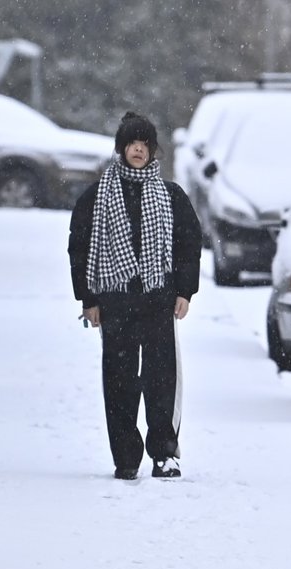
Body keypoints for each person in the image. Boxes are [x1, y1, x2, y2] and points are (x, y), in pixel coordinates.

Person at [68, 111, 202, 480]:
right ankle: (126, 456)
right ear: (121, 148)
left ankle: (165, 453)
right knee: (119, 382)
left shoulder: (170, 196)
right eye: (131, 143)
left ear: (153, 149)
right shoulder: (97, 198)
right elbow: (79, 248)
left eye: (144, 143)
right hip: (116, 303)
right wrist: (88, 299)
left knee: (162, 381)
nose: (138, 149)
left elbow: (188, 245)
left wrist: (185, 291)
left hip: (159, 301)